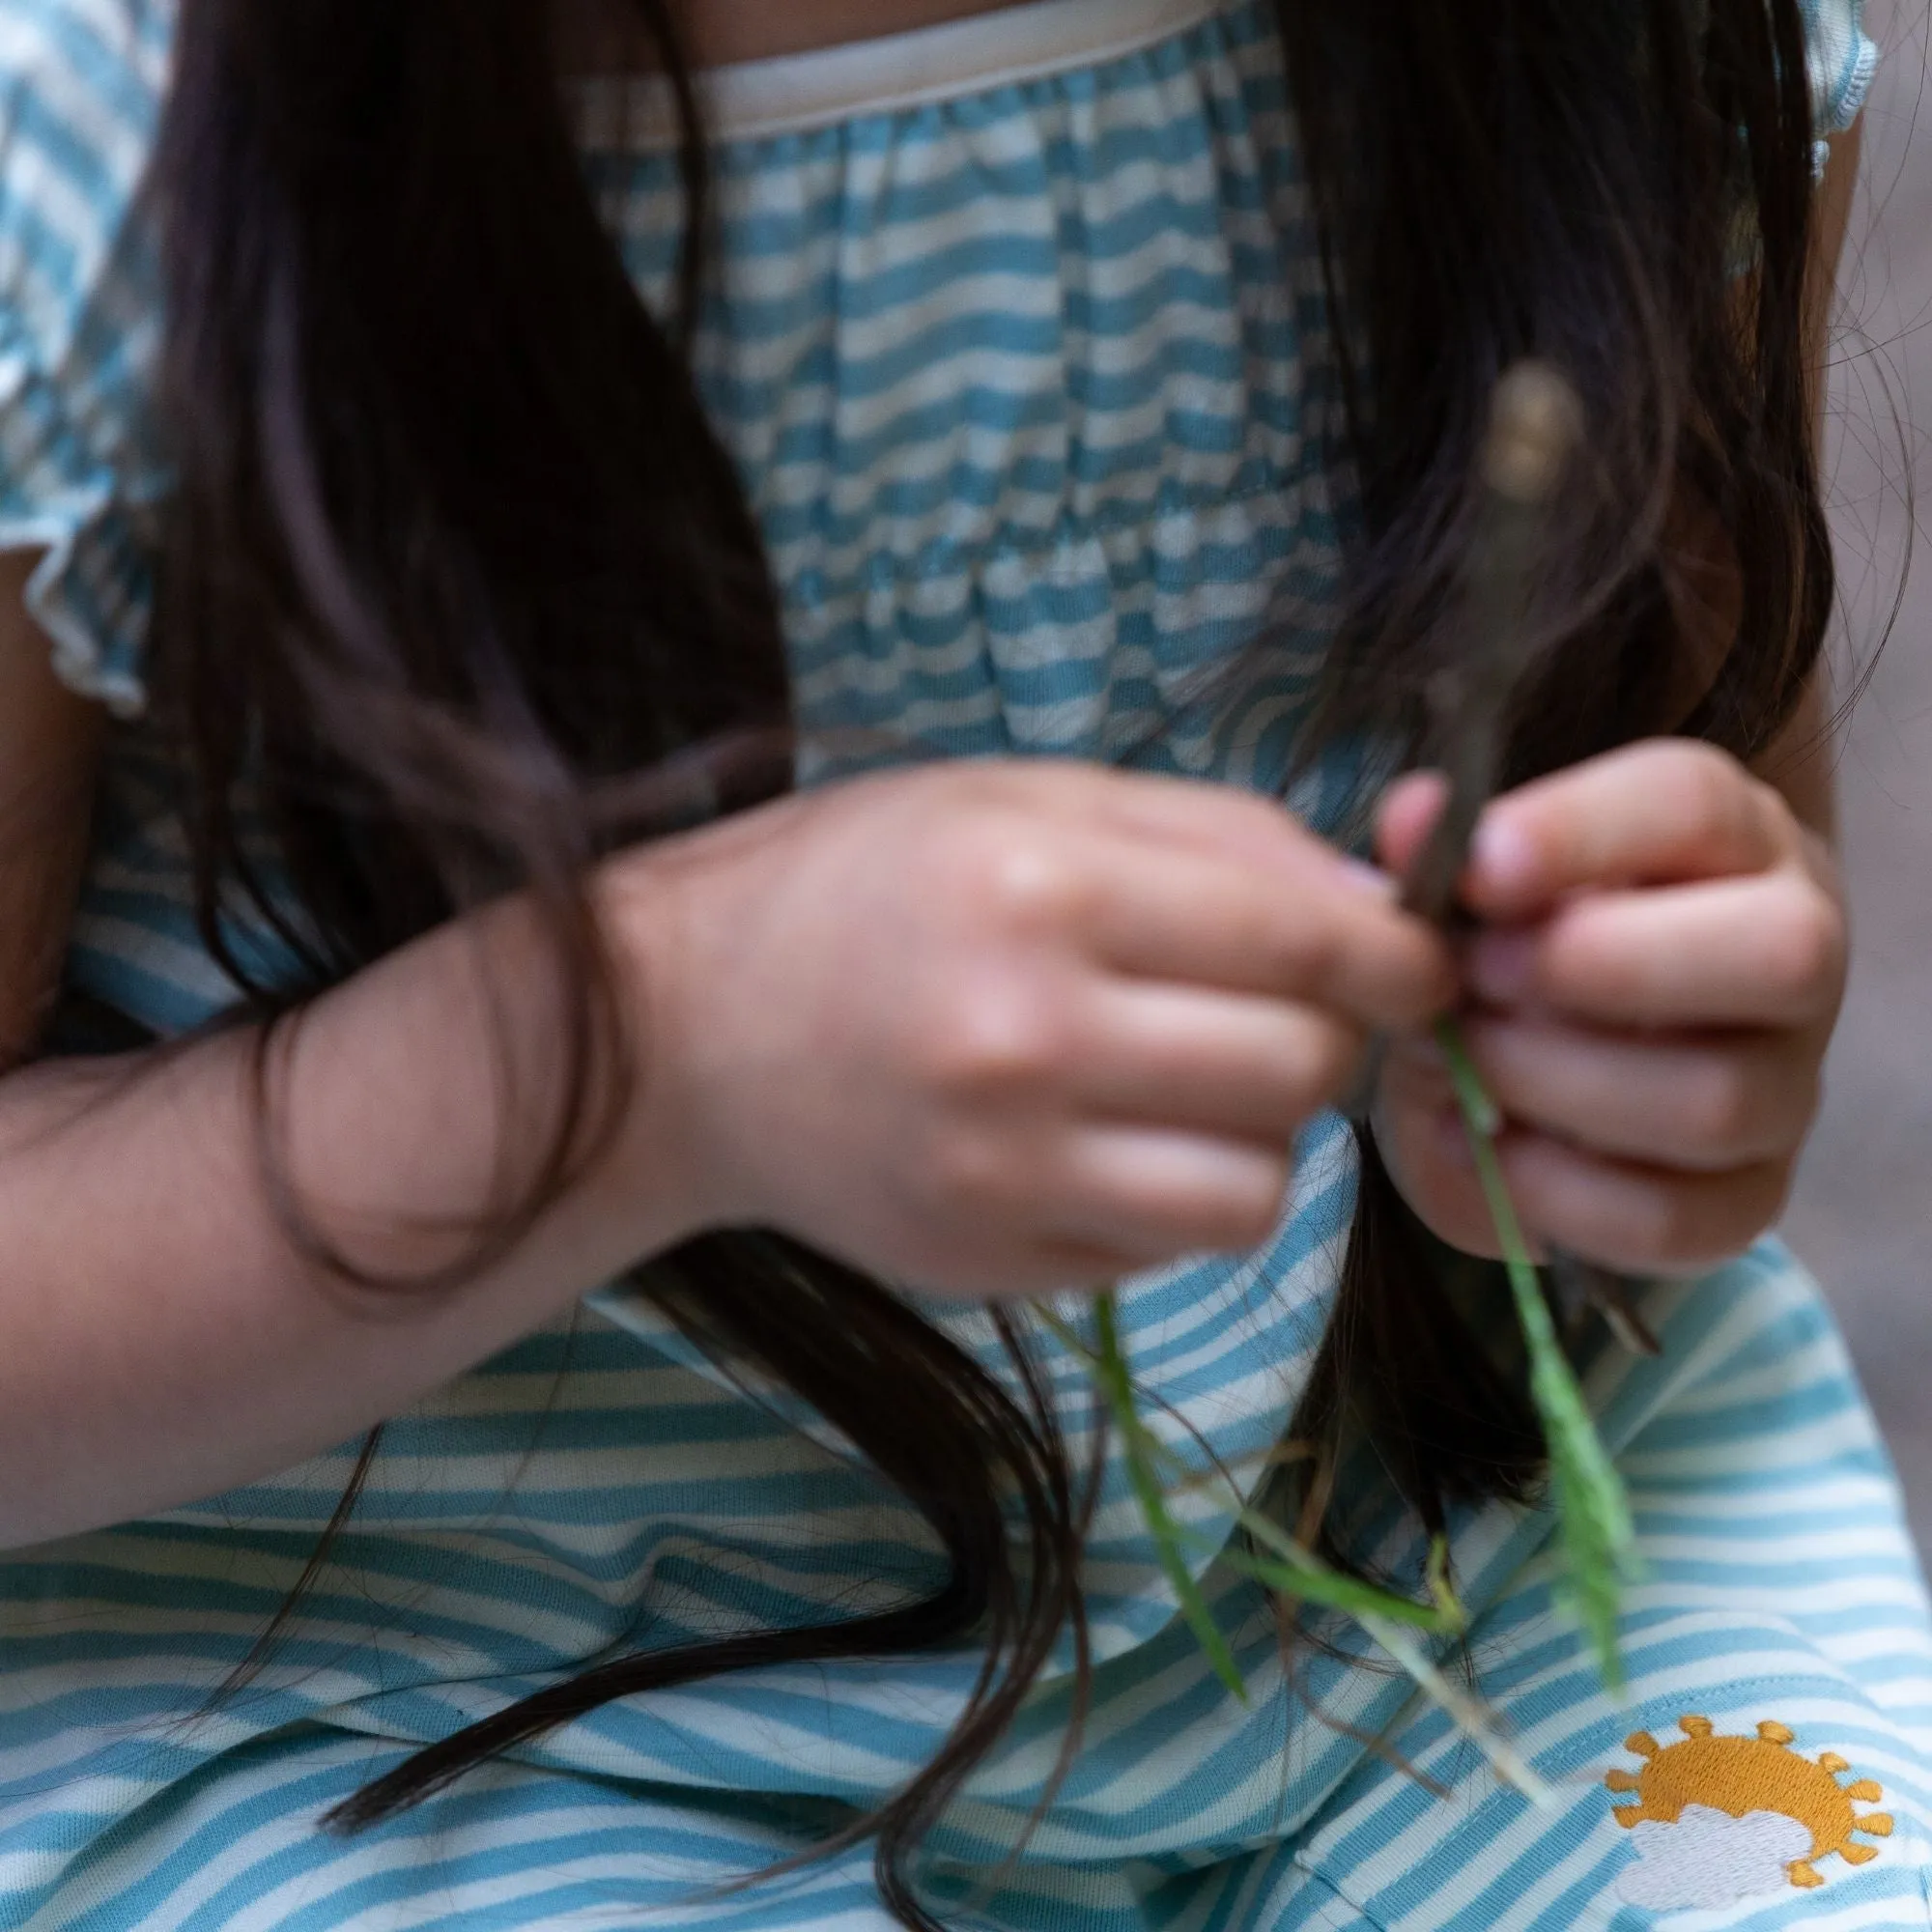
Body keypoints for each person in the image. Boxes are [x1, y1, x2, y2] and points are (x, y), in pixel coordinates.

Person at [0, 0, 1920, 1926]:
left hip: (1450, 1549)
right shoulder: (87, 109)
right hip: (374, 1714)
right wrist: (660, 1050)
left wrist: (1640, 1053)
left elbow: (1729, 899)